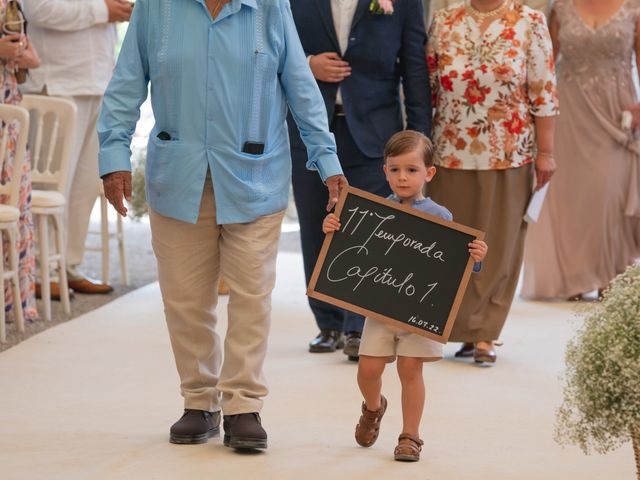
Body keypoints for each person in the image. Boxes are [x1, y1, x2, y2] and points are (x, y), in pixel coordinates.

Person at [98, 0, 347, 451]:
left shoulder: (269, 8)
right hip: (178, 177)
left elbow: (300, 87)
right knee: (185, 298)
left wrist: (326, 160)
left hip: (255, 176)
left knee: (252, 294)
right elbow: (125, 85)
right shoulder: (157, 9)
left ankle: (243, 404)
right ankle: (200, 400)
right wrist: (113, 155)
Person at [322, 130, 487, 462]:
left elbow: (454, 266)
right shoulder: (371, 211)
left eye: (411, 170)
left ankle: (410, 435)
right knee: (368, 370)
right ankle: (373, 407)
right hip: (380, 307)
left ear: (429, 173)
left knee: (411, 369)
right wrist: (332, 229)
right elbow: (351, 250)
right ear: (384, 171)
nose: (402, 177)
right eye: (395, 169)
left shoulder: (440, 217)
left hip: (419, 310)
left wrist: (475, 258)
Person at [289, 0, 432, 361]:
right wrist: (308, 64)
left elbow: (414, 67)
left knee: (366, 228)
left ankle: (358, 326)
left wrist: (419, 140)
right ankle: (328, 322)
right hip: (309, 129)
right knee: (316, 224)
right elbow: (275, 47)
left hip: (375, 130)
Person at [426, 0, 559, 363]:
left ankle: (485, 333)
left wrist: (546, 153)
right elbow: (429, 90)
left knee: (499, 245)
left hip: (509, 150)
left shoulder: (530, 21)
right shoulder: (444, 21)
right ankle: (456, 327)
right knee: (453, 243)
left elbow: (543, 92)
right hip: (449, 150)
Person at [521, 0, 640, 300]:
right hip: (569, 111)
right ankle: (574, 278)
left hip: (617, 110)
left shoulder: (634, 7)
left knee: (608, 193)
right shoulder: (560, 6)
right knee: (572, 196)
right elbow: (545, 64)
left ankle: (609, 275)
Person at [22, 0, 133, 298]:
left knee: (84, 187)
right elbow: (38, 10)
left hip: (99, 81)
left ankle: (68, 265)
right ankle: (39, 270)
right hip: (57, 82)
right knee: (52, 185)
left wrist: (115, 11)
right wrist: (103, 11)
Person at [0, 0, 40, 322]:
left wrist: (17, 51)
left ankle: (12, 303)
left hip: (9, 122)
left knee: (14, 209)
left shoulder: (12, 4)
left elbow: (34, 59)